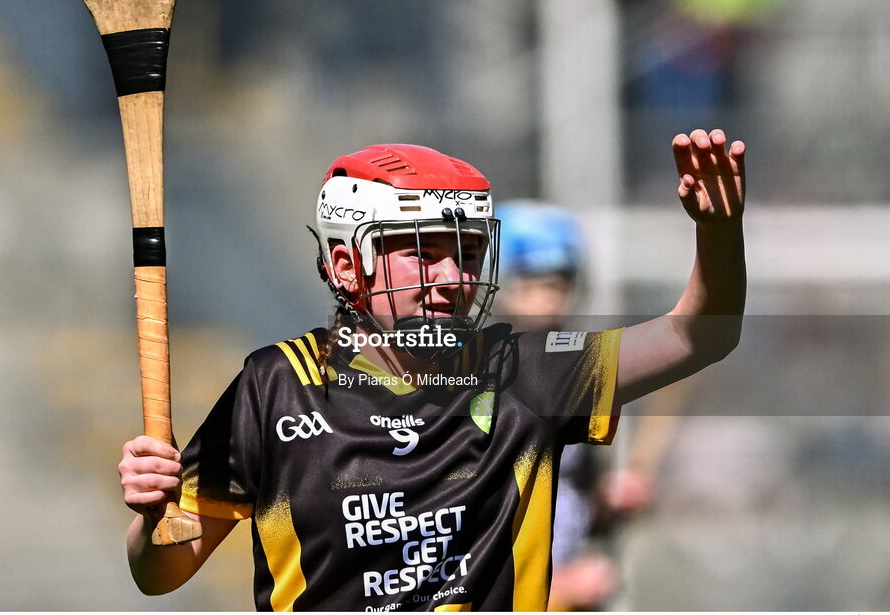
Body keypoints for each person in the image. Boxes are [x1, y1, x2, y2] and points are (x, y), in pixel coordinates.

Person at [119, 130, 746, 611]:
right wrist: (154, 518)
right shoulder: (273, 387)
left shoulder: (526, 375)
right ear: (346, 265)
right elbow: (160, 573)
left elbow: (698, 335)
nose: (452, 279)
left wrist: (717, 234)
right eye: (425, 252)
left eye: (468, 253)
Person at [495, 201, 653, 611]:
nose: (553, 299)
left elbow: (571, 501)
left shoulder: (575, 379)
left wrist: (608, 502)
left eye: (561, 282)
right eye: (537, 281)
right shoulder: (476, 387)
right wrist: (557, 590)